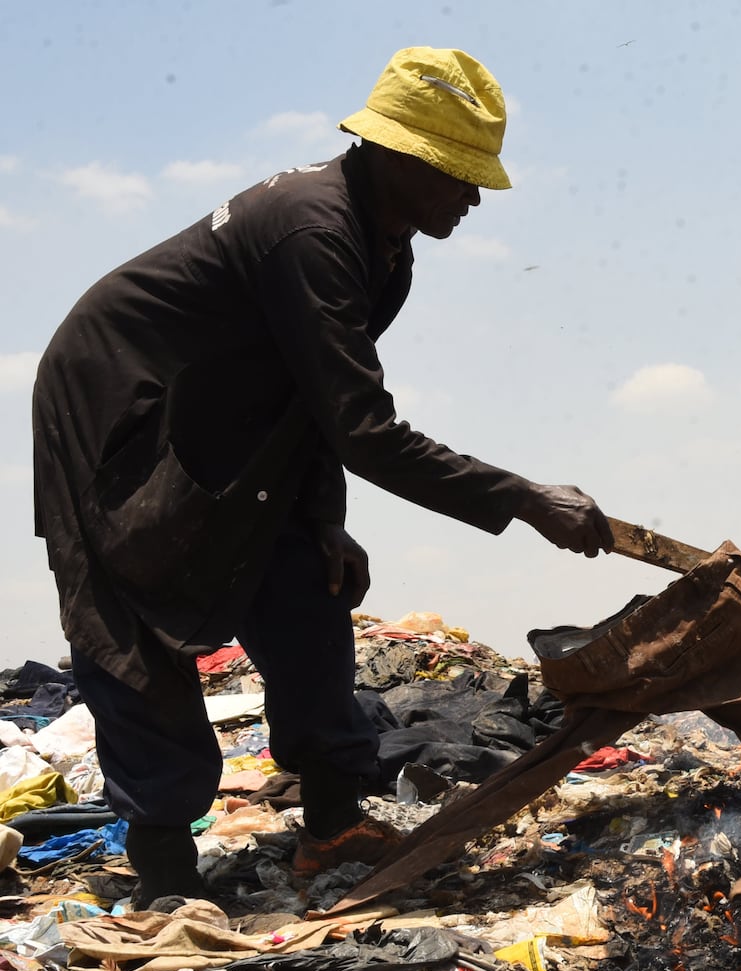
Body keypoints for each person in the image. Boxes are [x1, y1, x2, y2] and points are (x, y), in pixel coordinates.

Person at [29, 47, 613, 906]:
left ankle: (335, 822)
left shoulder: (385, 251)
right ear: (397, 157)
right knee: (133, 627)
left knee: (309, 574)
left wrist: (325, 519)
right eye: (457, 175)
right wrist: (523, 498)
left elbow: (318, 403)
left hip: (232, 414)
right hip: (116, 399)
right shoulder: (313, 230)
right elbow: (366, 430)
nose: (474, 197)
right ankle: (164, 879)